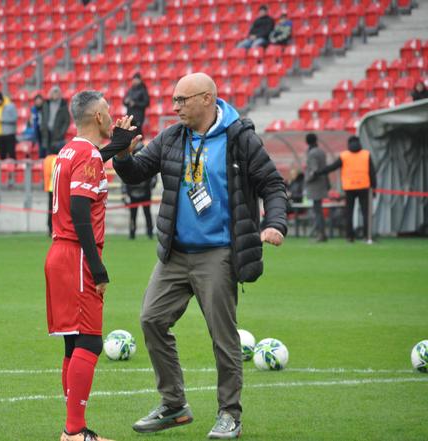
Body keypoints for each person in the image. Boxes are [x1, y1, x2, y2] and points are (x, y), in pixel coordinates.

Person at [113, 73, 287, 439]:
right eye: (174, 100)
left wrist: (275, 223)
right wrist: (122, 153)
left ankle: (230, 415)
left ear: (207, 99)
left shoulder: (240, 138)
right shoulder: (173, 137)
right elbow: (138, 174)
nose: (175, 107)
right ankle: (174, 405)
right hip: (174, 254)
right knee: (151, 319)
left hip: (219, 253)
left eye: (182, 100)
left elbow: (272, 184)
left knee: (223, 337)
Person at [45, 90, 140, 441]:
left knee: (73, 344)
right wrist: (97, 267)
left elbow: (93, 161)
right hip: (78, 255)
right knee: (90, 342)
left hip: (60, 254)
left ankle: (72, 429)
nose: (112, 115)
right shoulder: (85, 154)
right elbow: (82, 210)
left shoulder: (70, 150)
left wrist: (117, 146)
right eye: (109, 111)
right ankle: (74, 431)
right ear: (99, 117)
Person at [317, 135, 376, 242]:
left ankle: (349, 236)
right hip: (364, 187)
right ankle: (367, 235)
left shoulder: (344, 155)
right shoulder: (366, 154)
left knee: (349, 212)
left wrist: (319, 172)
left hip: (349, 187)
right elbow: (372, 173)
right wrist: (374, 188)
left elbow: (332, 167)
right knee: (365, 213)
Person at [123, 143, 156, 239]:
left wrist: (151, 185)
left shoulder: (149, 162)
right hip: (133, 193)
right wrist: (124, 193)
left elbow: (154, 176)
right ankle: (132, 233)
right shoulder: (129, 163)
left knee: (147, 214)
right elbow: (124, 179)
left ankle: (150, 232)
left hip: (146, 192)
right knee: (133, 215)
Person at [304, 133, 330, 242]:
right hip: (322, 183)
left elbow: (314, 170)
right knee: (318, 210)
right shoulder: (321, 152)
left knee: (317, 211)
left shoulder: (312, 153)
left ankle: (321, 234)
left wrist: (307, 179)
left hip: (315, 185)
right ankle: (322, 233)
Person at [41, 86, 71, 156]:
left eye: (57, 93)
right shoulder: (46, 104)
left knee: (58, 155)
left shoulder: (63, 105)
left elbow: (67, 121)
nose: (55, 95)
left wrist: (61, 133)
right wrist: (43, 128)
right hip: (47, 133)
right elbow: (43, 118)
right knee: (48, 155)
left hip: (58, 135)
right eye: (54, 93)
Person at [0, 91, 18, 160]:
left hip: (9, 133)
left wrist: (2, 120)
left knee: (11, 153)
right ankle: (4, 169)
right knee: (2, 154)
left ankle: (13, 169)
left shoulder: (10, 106)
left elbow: (14, 118)